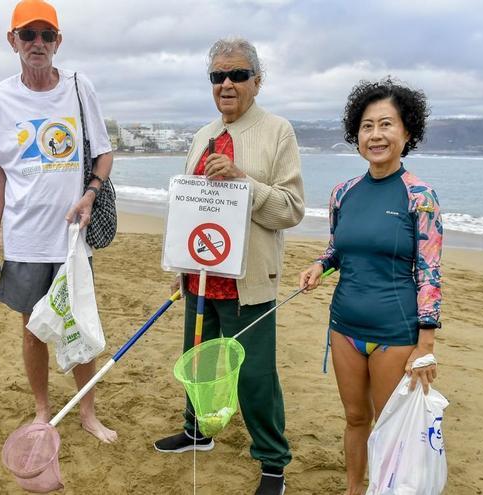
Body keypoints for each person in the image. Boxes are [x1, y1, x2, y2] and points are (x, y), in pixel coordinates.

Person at [153, 38, 305, 495]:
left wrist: (244, 182)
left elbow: (292, 209)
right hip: (200, 278)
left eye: (238, 75)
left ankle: (273, 463)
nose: (227, 84)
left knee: (256, 376)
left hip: (248, 282)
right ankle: (197, 431)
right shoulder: (201, 136)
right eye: (218, 76)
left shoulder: (278, 132)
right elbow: (189, 206)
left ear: (257, 81)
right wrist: (181, 263)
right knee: (196, 362)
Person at [0, 0, 116, 443]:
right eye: (28, 35)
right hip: (24, 239)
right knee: (34, 331)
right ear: (12, 40)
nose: (38, 44)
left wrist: (90, 194)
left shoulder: (78, 87)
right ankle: (41, 411)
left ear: (58, 42)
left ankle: (87, 413)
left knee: (79, 327)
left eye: (47, 36)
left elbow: (104, 153)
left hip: (73, 239)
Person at [298, 78, 442, 495]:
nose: (375, 135)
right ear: (355, 134)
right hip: (343, 326)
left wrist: (426, 346)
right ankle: (353, 489)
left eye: (386, 125)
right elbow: (337, 249)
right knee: (355, 418)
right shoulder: (343, 192)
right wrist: (319, 266)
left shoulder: (421, 196)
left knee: (391, 425)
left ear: (406, 132)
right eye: (366, 126)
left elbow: (430, 272)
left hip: (394, 333)